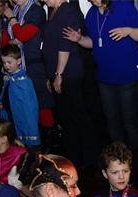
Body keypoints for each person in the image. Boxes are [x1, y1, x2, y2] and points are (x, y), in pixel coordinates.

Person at [63, 0, 138, 152]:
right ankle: (118, 157)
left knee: (129, 119)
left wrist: (128, 31)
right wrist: (79, 39)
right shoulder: (92, 14)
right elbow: (93, 42)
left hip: (127, 73)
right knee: (112, 120)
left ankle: (137, 158)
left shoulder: (123, 5)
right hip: (104, 76)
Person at [41, 0, 99, 170]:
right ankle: (75, 157)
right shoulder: (52, 11)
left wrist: (58, 75)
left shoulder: (66, 11)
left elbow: (65, 46)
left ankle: (90, 157)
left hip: (69, 73)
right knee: (66, 117)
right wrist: (50, 75)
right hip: (57, 72)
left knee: (78, 115)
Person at [0, 0, 53, 119]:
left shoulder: (36, 11)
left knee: (43, 104)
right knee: (23, 107)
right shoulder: (13, 11)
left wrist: (12, 18)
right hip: (16, 67)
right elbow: (4, 43)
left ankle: (47, 130)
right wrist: (14, 40)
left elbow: (22, 35)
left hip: (35, 64)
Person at [0, 45, 40, 149]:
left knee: (25, 149)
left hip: (23, 123)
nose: (6, 65)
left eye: (9, 62)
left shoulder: (24, 81)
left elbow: (30, 107)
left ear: (19, 61)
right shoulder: (9, 79)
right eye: (4, 62)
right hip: (11, 119)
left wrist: (31, 127)